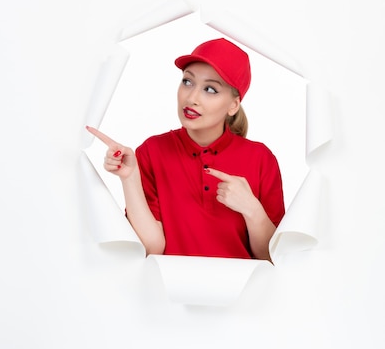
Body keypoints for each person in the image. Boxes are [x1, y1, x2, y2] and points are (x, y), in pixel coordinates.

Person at [86, 38, 285, 261]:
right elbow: (152, 247)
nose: (191, 98)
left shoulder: (260, 159)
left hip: (241, 292)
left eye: (210, 89)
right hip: (167, 292)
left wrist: (252, 210)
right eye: (187, 82)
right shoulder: (152, 151)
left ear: (233, 105)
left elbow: (273, 257)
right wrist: (129, 178)